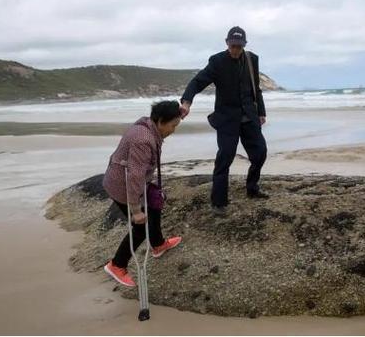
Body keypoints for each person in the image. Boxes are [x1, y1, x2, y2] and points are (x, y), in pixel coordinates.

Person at [180, 26, 269, 215]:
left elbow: (256, 89)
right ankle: (219, 202)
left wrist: (261, 112)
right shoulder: (217, 61)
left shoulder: (252, 60)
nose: (236, 49)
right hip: (227, 119)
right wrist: (186, 102)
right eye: (233, 45)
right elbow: (197, 82)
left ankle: (252, 188)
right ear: (227, 42)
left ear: (244, 44)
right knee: (225, 158)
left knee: (260, 153)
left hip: (249, 117)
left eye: (239, 45)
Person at [102, 100, 183, 287]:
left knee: (154, 209)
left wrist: (180, 110)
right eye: (173, 125)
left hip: (129, 180)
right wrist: (136, 210)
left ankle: (158, 244)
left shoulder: (149, 123)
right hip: (122, 186)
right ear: (161, 121)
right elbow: (135, 175)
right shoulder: (143, 140)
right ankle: (116, 265)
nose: (174, 130)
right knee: (139, 227)